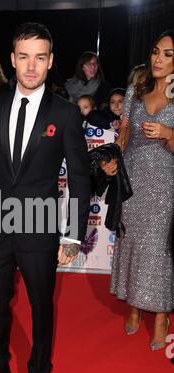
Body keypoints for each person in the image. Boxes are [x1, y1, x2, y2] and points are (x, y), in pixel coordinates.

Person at [0, 22, 91, 373]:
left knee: (40, 307)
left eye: (40, 57)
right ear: (12, 60)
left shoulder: (66, 114)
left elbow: (81, 178)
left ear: (51, 61)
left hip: (40, 225)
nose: (31, 66)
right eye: (23, 57)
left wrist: (71, 235)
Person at [103, 30, 174, 350]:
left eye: (168, 55)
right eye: (156, 52)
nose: (158, 59)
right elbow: (124, 135)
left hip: (165, 180)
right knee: (131, 241)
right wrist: (114, 161)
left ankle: (160, 316)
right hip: (132, 179)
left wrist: (168, 132)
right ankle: (133, 305)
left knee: (157, 247)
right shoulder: (135, 90)